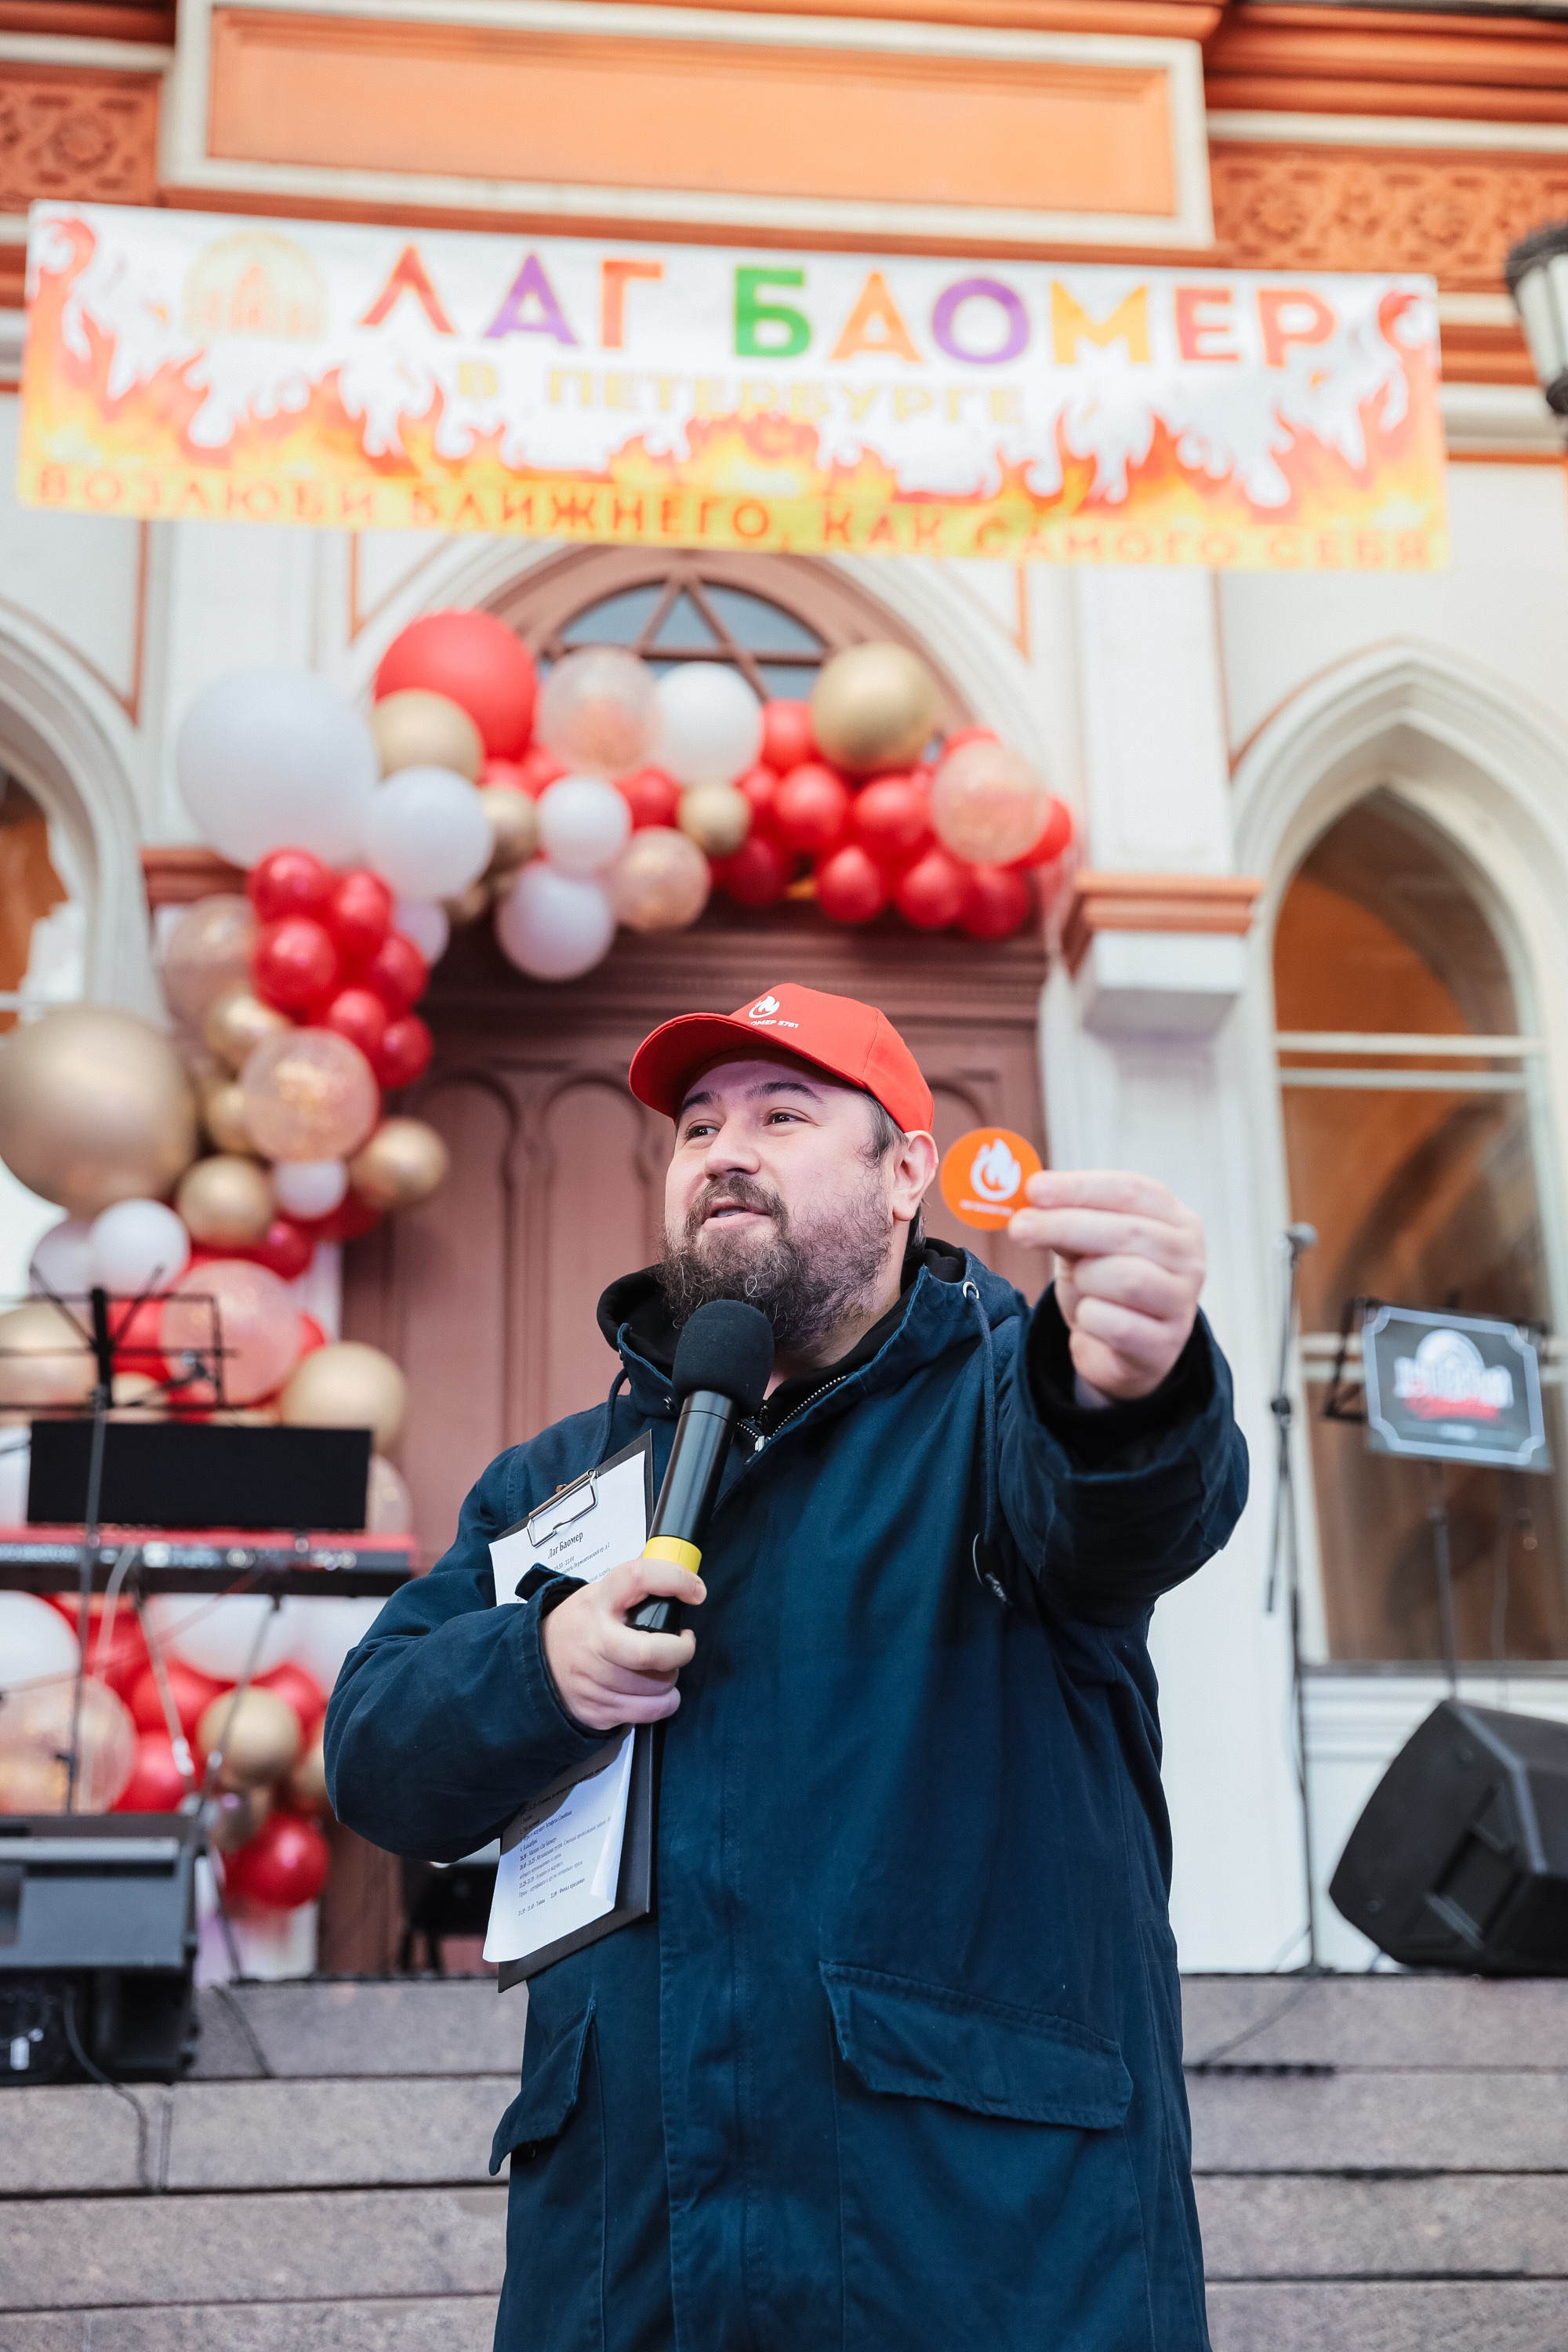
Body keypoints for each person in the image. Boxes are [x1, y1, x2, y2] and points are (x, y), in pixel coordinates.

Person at [325, 980, 1248, 2352]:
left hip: (981, 2263)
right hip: (628, 2273)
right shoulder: (555, 1479)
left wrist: (1129, 1387)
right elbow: (375, 1753)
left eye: (783, 1115)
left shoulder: (1009, 1402)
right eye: (697, 1127)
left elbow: (1122, 1509)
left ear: (906, 1174)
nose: (724, 1152)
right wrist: (540, 1669)